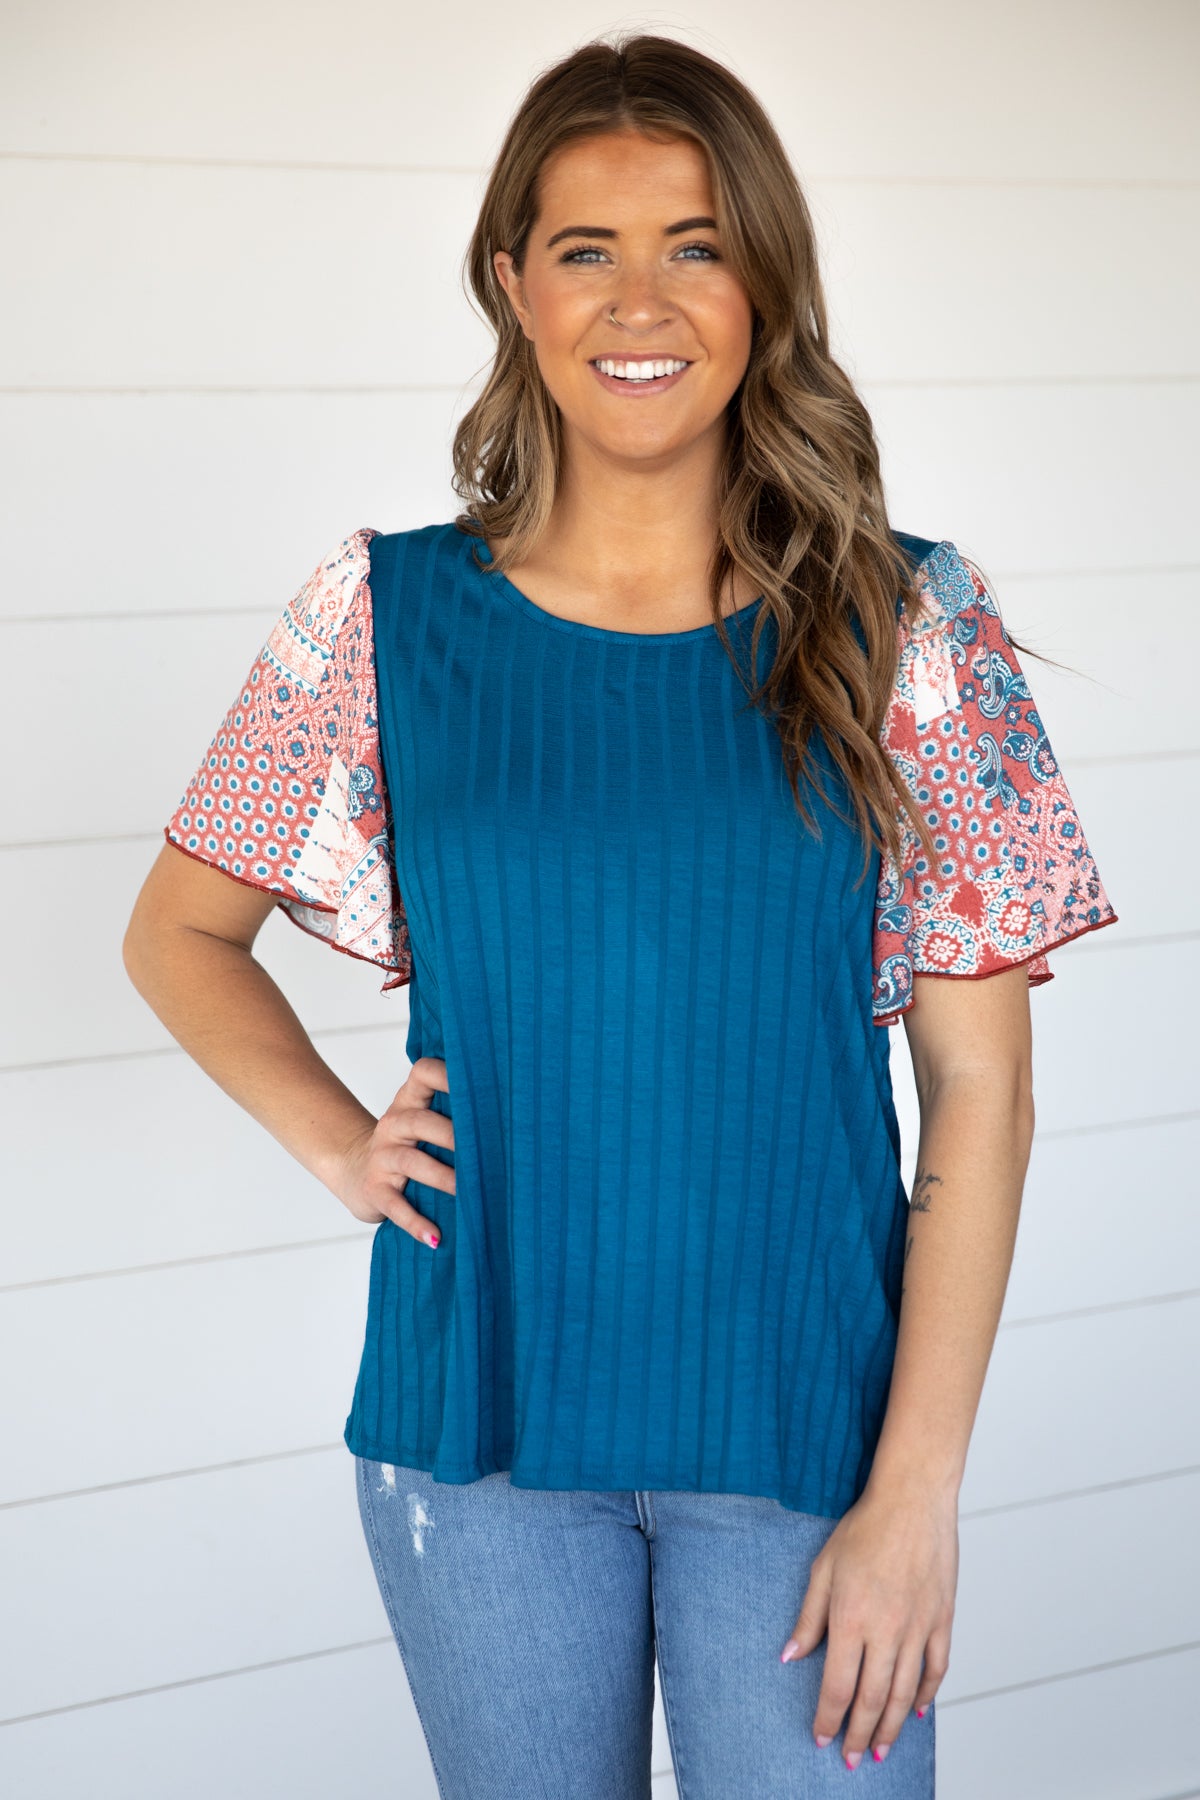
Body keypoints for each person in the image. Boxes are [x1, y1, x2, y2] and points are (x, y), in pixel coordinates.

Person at [123, 32, 1119, 1799]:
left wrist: (918, 1494)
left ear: (764, 285)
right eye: (587, 249)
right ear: (514, 285)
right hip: (476, 1434)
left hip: (809, 1430)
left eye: (697, 245)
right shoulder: (380, 617)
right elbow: (177, 932)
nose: (639, 302)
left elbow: (984, 1090)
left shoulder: (910, 626)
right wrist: (346, 1144)